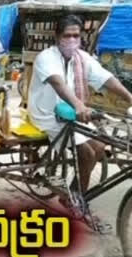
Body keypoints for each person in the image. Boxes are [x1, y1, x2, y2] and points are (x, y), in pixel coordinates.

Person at [28, 14, 132, 197]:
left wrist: (130, 97)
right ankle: (78, 201)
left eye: (76, 36)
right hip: (48, 114)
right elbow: (58, 84)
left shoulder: (82, 58)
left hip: (70, 112)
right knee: (86, 153)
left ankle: (75, 192)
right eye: (67, 36)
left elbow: (106, 78)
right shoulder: (46, 57)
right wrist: (79, 106)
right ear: (57, 36)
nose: (72, 40)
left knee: (100, 145)